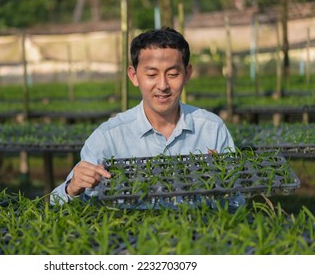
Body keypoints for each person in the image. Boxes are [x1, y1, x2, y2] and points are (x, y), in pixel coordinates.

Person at [50, 27, 235, 205]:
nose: (162, 85)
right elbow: (54, 204)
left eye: (172, 74)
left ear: (187, 74)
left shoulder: (212, 129)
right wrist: (72, 188)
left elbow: (237, 201)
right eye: (151, 74)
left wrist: (223, 184)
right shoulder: (108, 137)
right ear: (134, 76)